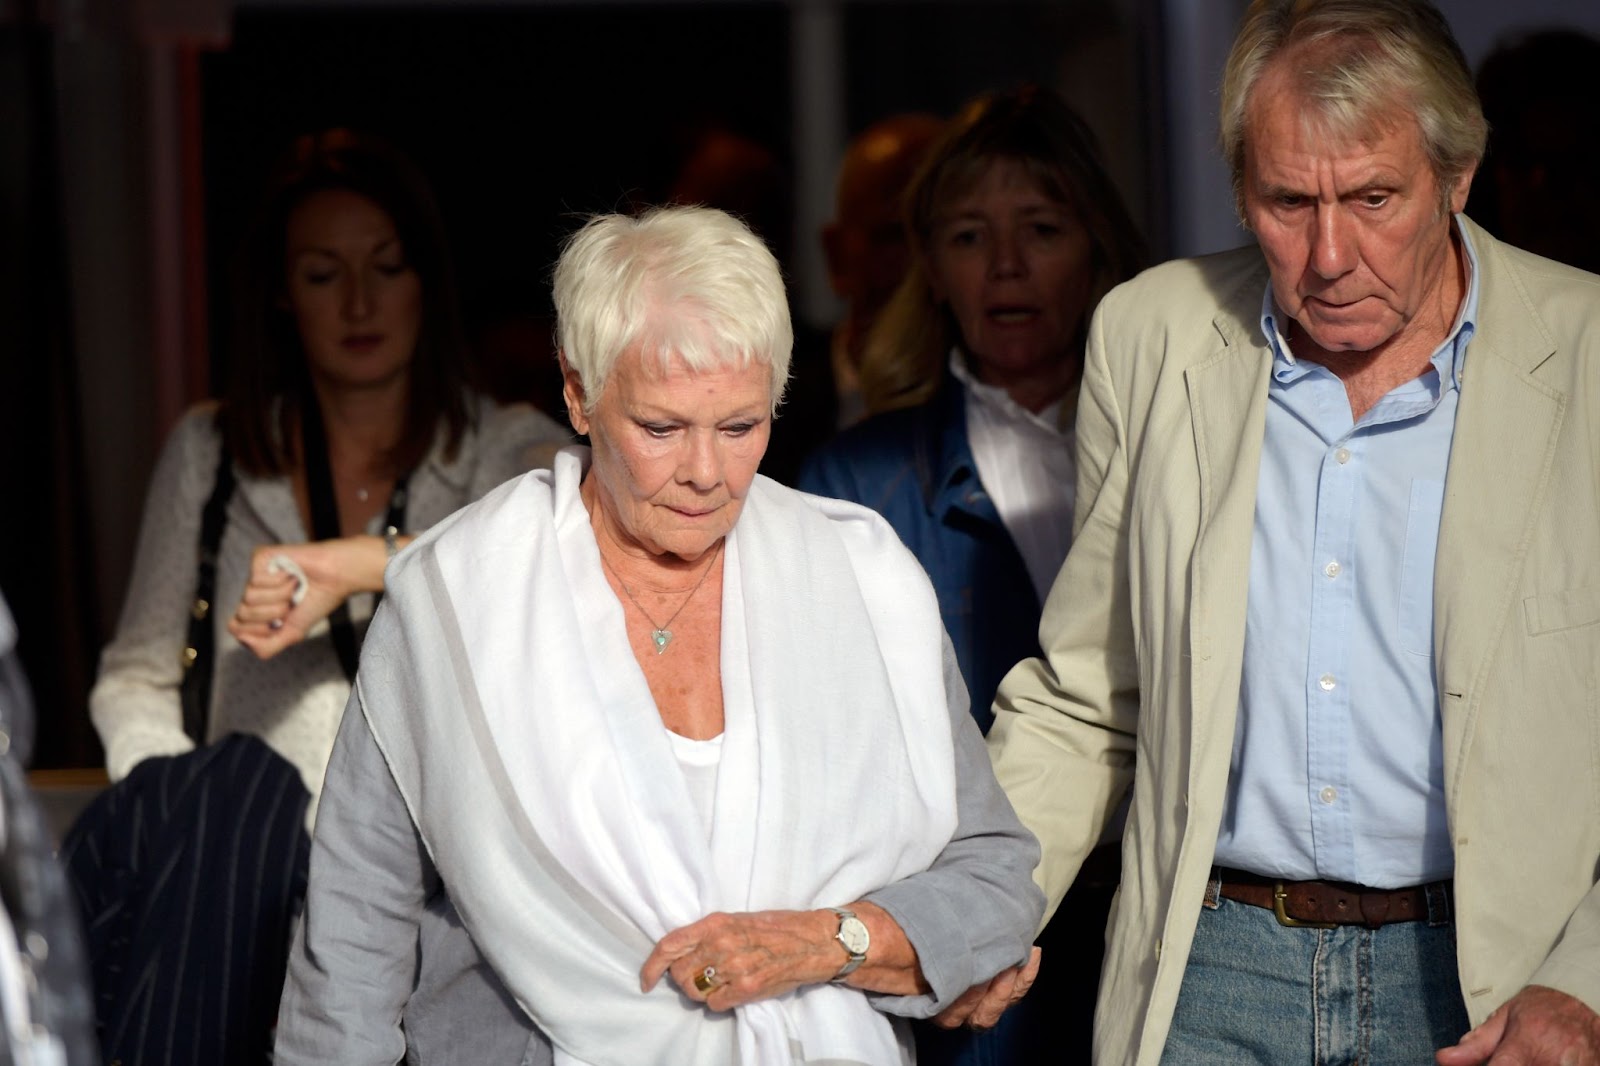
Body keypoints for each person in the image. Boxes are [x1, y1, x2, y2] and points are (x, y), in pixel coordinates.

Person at [276, 205, 1045, 1064]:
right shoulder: (459, 600)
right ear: (577, 391)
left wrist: (830, 942)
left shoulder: (862, 579)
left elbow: (991, 873)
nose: (707, 474)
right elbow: (351, 942)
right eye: (661, 428)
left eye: (741, 426)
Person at [985, 2, 1600, 1064]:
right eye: (1285, 201)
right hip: (1211, 970)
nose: (1327, 254)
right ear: (1238, 190)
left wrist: (1586, 983)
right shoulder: (1152, 334)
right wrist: (975, 906)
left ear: (1455, 179)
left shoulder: (1584, 351)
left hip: (1495, 986)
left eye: (1371, 198)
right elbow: (1090, 694)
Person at [75, 130, 567, 1064]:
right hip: (232, 868)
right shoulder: (211, 453)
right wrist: (170, 799)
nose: (359, 302)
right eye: (321, 273)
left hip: (432, 873)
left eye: (387, 265)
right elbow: (135, 673)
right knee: (238, 795)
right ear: (278, 292)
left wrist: (350, 564)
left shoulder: (509, 454)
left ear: (427, 278)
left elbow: (555, 557)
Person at [800, 86, 1145, 1064]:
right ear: (930, 268)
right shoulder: (848, 485)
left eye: (1040, 228)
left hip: (1164, 935)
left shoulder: (1182, 451)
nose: (1005, 267)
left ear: (1099, 249)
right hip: (960, 960)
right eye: (966, 236)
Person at [820, 112, 944, 428]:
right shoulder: (758, 397)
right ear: (836, 254)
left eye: (941, 235)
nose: (918, 261)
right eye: (892, 235)